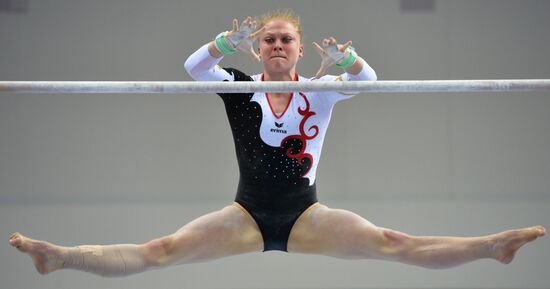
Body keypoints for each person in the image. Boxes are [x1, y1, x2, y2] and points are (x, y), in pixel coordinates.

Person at [9, 10, 545, 277]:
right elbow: (195, 68)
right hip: (244, 214)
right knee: (160, 251)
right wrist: (222, 44)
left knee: (392, 241)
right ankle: (61, 258)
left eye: (287, 38)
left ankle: (492, 246)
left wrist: (351, 63)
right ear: (260, 48)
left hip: (307, 214)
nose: (277, 45)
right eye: (268, 39)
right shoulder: (239, 88)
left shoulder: (320, 90)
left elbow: (369, 83)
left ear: (300, 46)